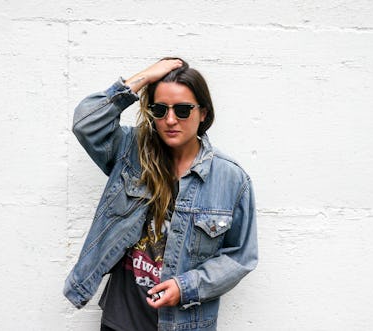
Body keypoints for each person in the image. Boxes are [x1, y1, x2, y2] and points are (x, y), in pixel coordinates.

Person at [64, 58, 258, 331]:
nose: (170, 120)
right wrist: (144, 77)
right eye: (159, 109)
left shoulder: (231, 179)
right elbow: (86, 124)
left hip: (184, 322)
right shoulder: (131, 152)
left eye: (182, 110)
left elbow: (240, 256)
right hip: (120, 319)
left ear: (203, 113)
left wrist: (186, 287)